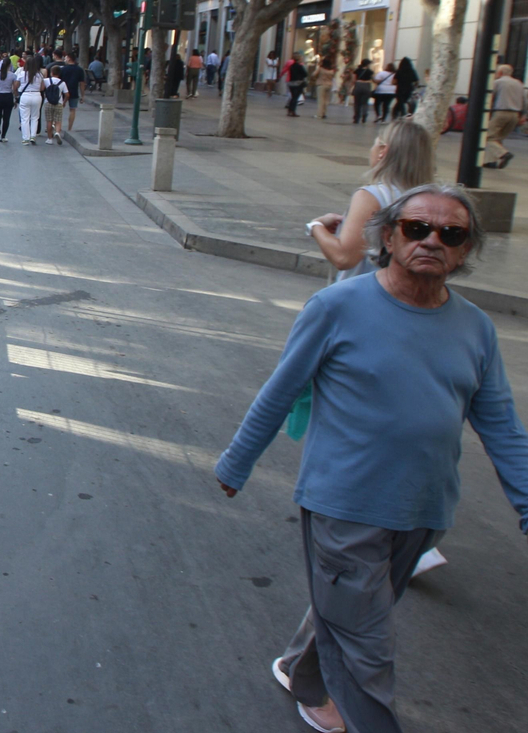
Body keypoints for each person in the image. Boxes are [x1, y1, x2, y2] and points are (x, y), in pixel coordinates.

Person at [216, 183, 528, 733]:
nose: (432, 240)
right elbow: (280, 390)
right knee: (368, 649)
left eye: (450, 233)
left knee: (356, 614)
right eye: (416, 228)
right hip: (344, 505)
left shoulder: (475, 327)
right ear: (387, 236)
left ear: (465, 249)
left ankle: (300, 670)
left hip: (425, 511)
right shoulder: (337, 307)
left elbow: (500, 423)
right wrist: (236, 464)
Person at [310, 118, 433, 282]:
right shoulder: (430, 198)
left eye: (374, 145)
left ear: (383, 150)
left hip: (367, 293)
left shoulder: (371, 196)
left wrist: (315, 226)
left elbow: (344, 258)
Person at [483, 63, 524, 169]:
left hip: (501, 112)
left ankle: (503, 154)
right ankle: (491, 161)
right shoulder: (519, 83)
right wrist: (523, 116)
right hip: (515, 114)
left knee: (488, 136)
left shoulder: (498, 82)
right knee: (498, 138)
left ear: (500, 73)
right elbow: (525, 101)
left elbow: (490, 96)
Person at [15, 55, 47, 146]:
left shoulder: (22, 74)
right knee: (35, 117)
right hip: (36, 95)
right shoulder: (39, 75)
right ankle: (33, 136)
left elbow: (16, 86)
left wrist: (16, 93)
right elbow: (42, 88)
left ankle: (26, 138)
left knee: (24, 118)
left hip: (25, 95)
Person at [0, 54, 17, 143]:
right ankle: (3, 136)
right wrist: (15, 98)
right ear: (10, 65)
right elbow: (14, 88)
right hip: (8, 96)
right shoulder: (13, 75)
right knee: (6, 117)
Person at [58, 53, 87, 131]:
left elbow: (58, 81)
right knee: (73, 110)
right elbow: (82, 83)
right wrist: (82, 95)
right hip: (74, 91)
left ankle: (57, 127)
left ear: (69, 58)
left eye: (66, 58)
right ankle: (69, 128)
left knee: (59, 110)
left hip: (63, 92)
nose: (65, 59)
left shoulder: (63, 69)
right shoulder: (79, 69)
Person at [41, 64, 68, 144]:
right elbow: (67, 94)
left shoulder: (46, 81)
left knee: (49, 121)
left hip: (48, 102)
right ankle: (57, 132)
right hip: (58, 103)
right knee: (58, 120)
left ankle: (49, 139)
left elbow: (41, 89)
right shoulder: (62, 83)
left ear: (51, 72)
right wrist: (64, 102)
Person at [350, 58, 374, 124]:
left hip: (358, 85)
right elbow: (373, 79)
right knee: (365, 103)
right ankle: (364, 115)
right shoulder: (370, 71)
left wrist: (351, 87)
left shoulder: (357, 70)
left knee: (357, 103)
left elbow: (353, 80)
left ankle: (356, 117)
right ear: (368, 64)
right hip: (366, 86)